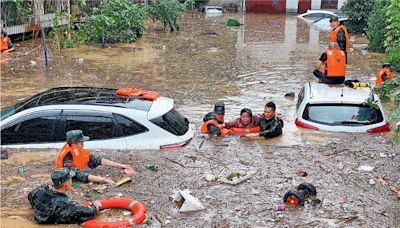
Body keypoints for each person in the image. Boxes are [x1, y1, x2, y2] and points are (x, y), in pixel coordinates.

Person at [56, 130, 135, 185]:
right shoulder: (67, 159)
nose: (84, 144)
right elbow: (78, 175)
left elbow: (97, 160)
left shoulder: (76, 149)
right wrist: (103, 179)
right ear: (74, 145)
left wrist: (121, 166)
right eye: (82, 142)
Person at [28, 168, 100, 224]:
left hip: (41, 218)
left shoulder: (39, 192)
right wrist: (95, 207)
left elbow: (30, 196)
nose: (72, 181)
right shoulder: (66, 203)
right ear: (66, 184)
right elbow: (87, 212)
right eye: (70, 179)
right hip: (52, 219)